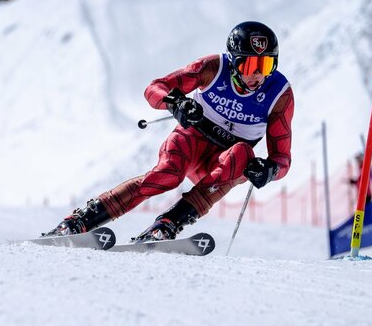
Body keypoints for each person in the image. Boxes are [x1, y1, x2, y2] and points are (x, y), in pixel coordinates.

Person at [44, 21, 295, 241]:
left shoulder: (279, 94)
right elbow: (154, 88)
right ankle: (81, 220)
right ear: (233, 62)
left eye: (267, 64)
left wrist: (269, 171)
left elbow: (282, 159)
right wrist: (176, 102)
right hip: (193, 140)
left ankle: (167, 225)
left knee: (241, 154)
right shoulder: (212, 68)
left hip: (221, 164)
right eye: (251, 65)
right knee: (167, 175)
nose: (259, 75)